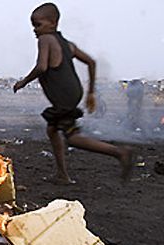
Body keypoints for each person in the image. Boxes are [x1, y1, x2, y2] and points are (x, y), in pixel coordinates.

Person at [13, 2, 132, 184]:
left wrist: (23, 82)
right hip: (73, 93)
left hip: (63, 97)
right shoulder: (68, 45)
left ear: (53, 23)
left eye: (38, 25)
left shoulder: (45, 40)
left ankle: (119, 152)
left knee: (73, 138)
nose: (35, 30)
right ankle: (62, 175)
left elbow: (42, 66)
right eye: (33, 26)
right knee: (52, 129)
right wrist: (91, 93)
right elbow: (91, 62)